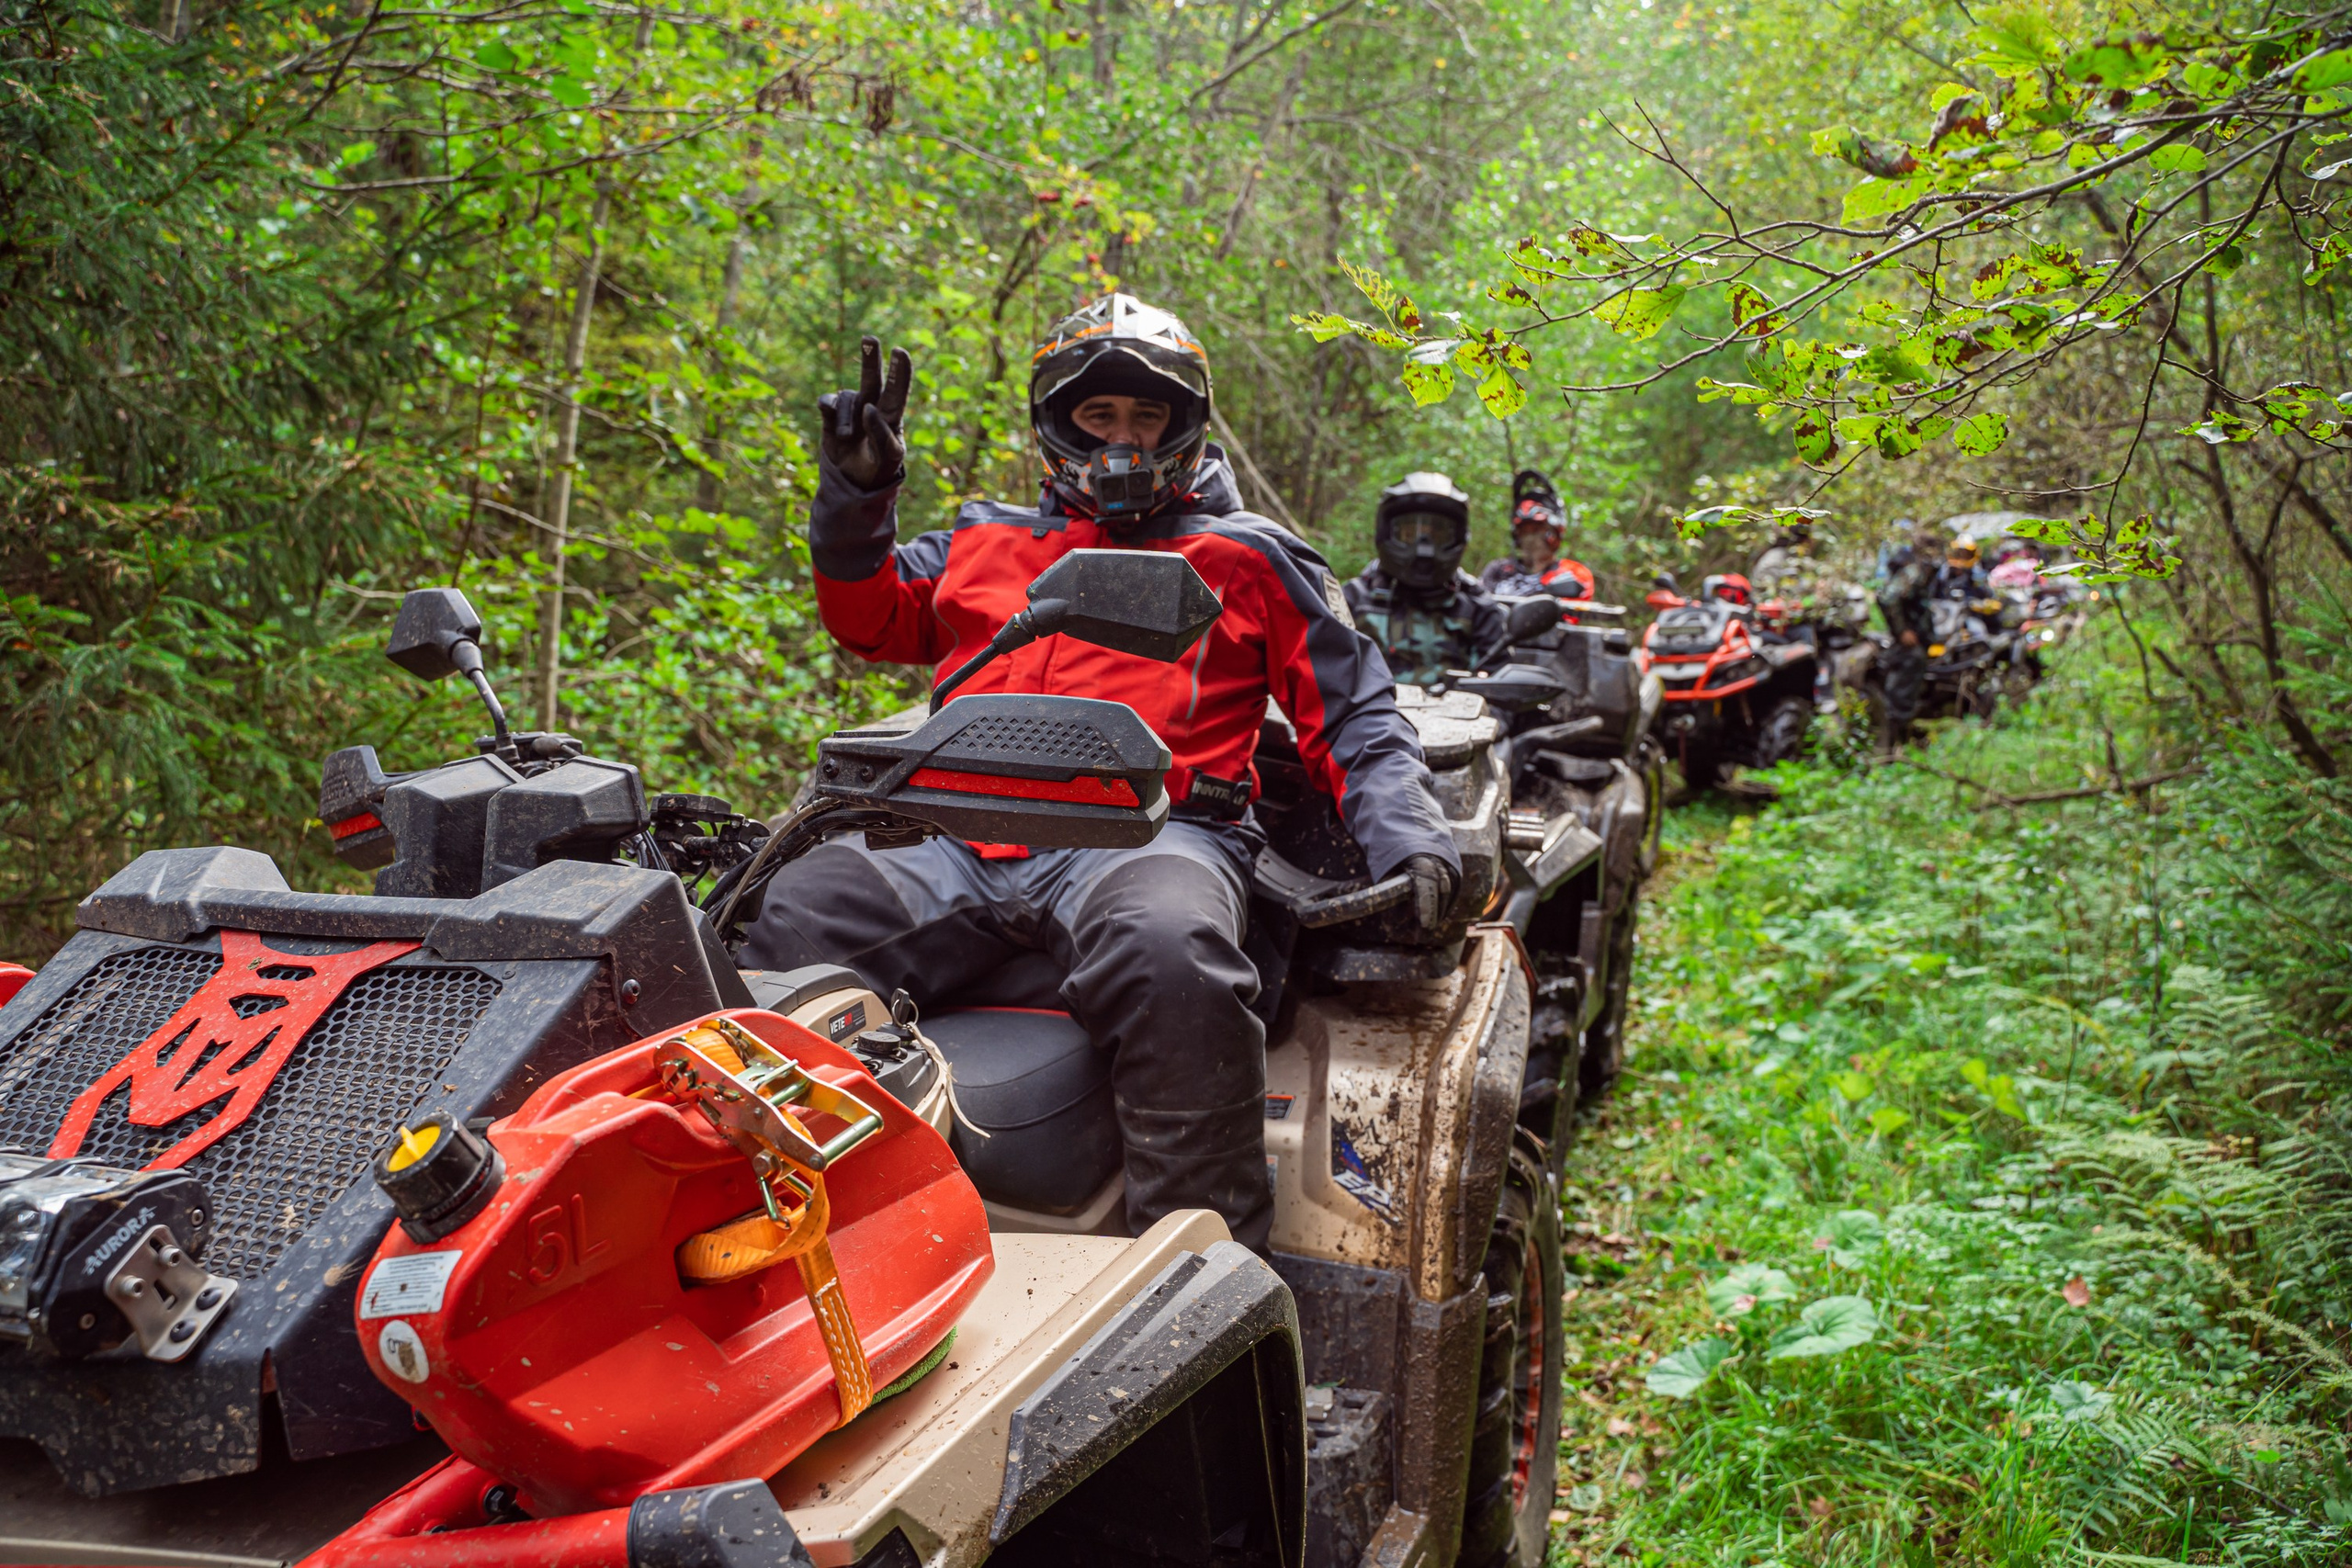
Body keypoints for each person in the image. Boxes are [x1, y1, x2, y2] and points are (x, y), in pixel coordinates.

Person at [741, 294, 1463, 1253]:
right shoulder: (978, 542)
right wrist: (855, 501)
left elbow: (1357, 715)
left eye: (1145, 418)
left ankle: (1206, 1273)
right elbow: (868, 620)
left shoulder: (1249, 557)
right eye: (1098, 417)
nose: (1122, 440)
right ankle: (781, 1233)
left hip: (1153, 837)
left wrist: (1411, 836)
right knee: (784, 919)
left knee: (1171, 949)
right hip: (956, 838)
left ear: (1184, 429)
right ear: (1055, 427)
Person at [1344, 471, 1508, 685]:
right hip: (1369, 715)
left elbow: (1499, 689)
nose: (1423, 549)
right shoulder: (1355, 600)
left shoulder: (1477, 606)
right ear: (1387, 533)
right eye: (1409, 535)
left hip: (1461, 716)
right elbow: (1326, 675)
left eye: (1438, 535)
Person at [1480, 469, 1597, 599]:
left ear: (1554, 534)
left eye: (1537, 530)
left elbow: (1572, 614)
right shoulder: (1499, 570)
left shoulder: (1572, 573)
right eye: (1525, 531)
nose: (1530, 539)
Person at [1875, 524, 1942, 750]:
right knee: (1900, 696)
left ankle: (1901, 741)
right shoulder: (1913, 570)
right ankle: (1895, 746)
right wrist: (1902, 630)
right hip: (1908, 647)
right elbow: (1887, 598)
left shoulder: (1919, 569)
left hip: (1916, 642)